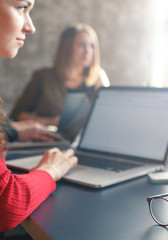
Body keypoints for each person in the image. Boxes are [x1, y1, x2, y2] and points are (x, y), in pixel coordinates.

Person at [0, 0, 77, 232]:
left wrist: (9, 131)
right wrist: (50, 170)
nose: (30, 27)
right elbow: (6, 204)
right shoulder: (44, 76)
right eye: (22, 7)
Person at [11, 23, 110, 126]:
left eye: (92, 46)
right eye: (81, 45)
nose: (88, 51)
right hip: (50, 138)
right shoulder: (43, 77)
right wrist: (48, 122)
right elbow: (18, 114)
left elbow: (107, 114)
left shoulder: (98, 76)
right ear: (67, 48)